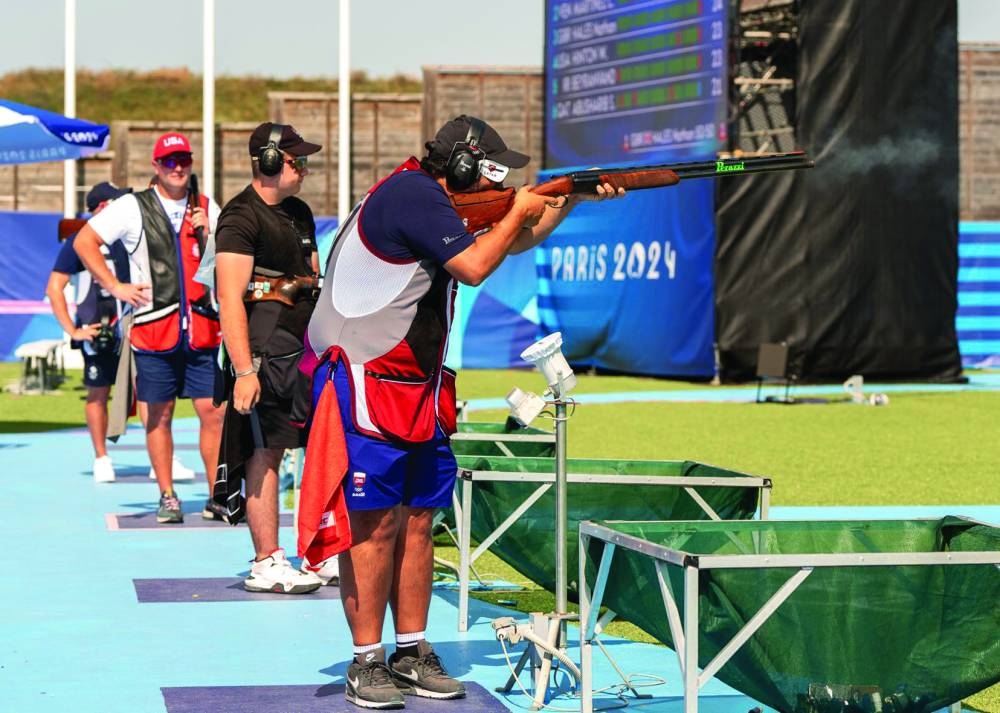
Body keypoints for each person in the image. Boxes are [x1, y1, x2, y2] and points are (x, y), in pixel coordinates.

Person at [302, 115, 624, 709]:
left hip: (416, 383)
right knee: (374, 526)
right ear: (464, 167)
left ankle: (412, 649)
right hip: (368, 377)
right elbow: (476, 267)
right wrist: (522, 207)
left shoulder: (433, 198)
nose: (500, 181)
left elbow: (515, 238)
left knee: (421, 519)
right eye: (494, 170)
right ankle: (366, 659)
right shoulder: (410, 195)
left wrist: (571, 197)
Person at [73, 131, 225, 524]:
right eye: (170, 161)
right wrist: (115, 286)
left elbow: (227, 262)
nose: (178, 168)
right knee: (158, 415)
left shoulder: (208, 206)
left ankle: (216, 494)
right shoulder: (131, 207)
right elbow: (84, 242)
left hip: (203, 329)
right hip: (154, 329)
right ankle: (168, 495)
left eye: (184, 160)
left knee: (214, 413)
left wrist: (208, 233)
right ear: (156, 167)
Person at [212, 122, 331, 593]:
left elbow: (314, 278)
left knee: (319, 446)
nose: (303, 168)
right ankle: (266, 560)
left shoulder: (299, 212)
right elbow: (229, 297)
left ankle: (317, 552)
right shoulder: (240, 218)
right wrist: (244, 370)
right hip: (264, 354)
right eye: (295, 160)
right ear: (267, 162)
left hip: (303, 350)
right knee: (265, 452)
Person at [46, 182, 132, 482]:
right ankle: (101, 458)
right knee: (98, 392)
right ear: (103, 206)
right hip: (95, 331)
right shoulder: (77, 241)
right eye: (117, 202)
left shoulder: (128, 236)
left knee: (150, 393)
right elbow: (54, 288)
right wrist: (73, 330)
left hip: (131, 326)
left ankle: (164, 458)